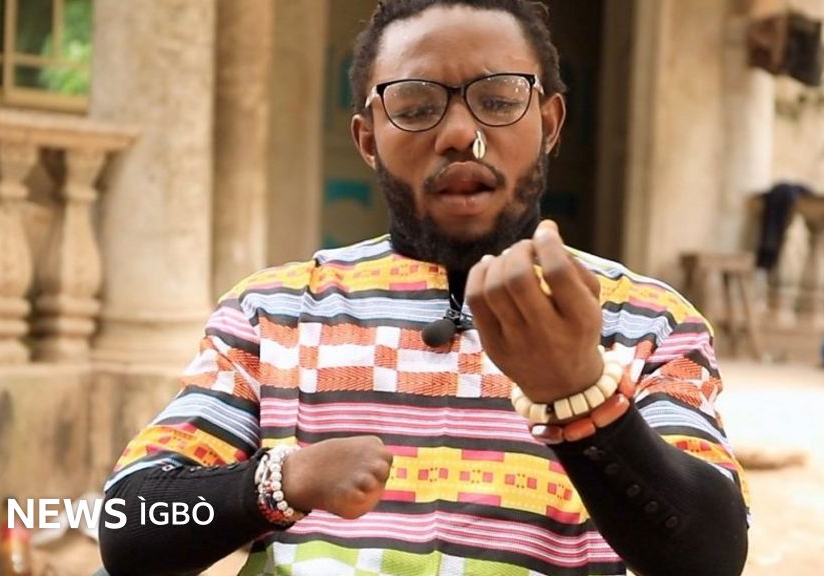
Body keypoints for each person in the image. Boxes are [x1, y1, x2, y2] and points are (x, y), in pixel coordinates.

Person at [99, 1, 749, 575]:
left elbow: (710, 557)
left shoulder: (648, 322)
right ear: (368, 140)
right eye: (415, 107)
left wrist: (581, 397)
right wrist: (285, 480)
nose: (460, 134)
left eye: (499, 100)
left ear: (550, 123)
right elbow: (129, 525)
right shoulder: (275, 313)